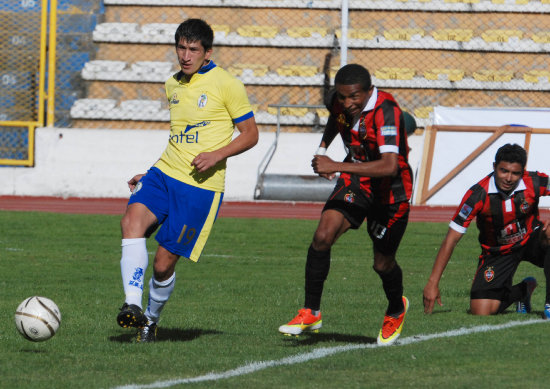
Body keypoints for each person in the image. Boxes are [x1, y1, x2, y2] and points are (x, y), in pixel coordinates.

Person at [116, 18, 258, 342]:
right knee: (131, 222)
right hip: (164, 174)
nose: (185, 55)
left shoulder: (227, 85)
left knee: (164, 265)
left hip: (199, 188)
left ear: (207, 52)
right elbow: (179, 138)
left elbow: (251, 135)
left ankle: (149, 320)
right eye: (181, 47)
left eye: (193, 49)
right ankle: (132, 306)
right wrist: (151, 171)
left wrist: (217, 155)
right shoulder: (172, 84)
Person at [278, 64, 414, 346]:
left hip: (391, 194)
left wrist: (335, 165)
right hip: (357, 181)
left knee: (382, 263)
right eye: (342, 97)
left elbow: (390, 166)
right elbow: (334, 119)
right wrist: (322, 150)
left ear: (368, 90)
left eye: (354, 97)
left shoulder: (387, 111)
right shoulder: (339, 102)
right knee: (322, 237)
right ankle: (311, 312)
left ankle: (396, 308)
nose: (347, 103)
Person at [423, 144, 550, 318]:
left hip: (531, 240)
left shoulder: (534, 181)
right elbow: (451, 239)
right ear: (494, 167)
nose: (509, 178)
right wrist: (432, 282)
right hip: (498, 252)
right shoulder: (477, 196)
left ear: (522, 172)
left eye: (515, 173)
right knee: (480, 311)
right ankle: (522, 291)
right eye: (503, 171)